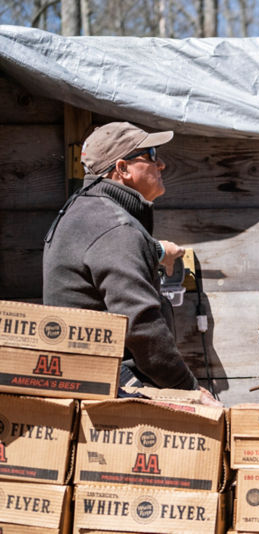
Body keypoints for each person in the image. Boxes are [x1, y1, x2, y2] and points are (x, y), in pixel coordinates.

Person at [42, 121, 220, 406]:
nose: (160, 164)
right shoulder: (115, 229)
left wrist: (158, 250)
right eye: (150, 155)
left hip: (86, 378)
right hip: (114, 386)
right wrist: (187, 389)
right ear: (122, 169)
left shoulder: (83, 210)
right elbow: (140, 327)